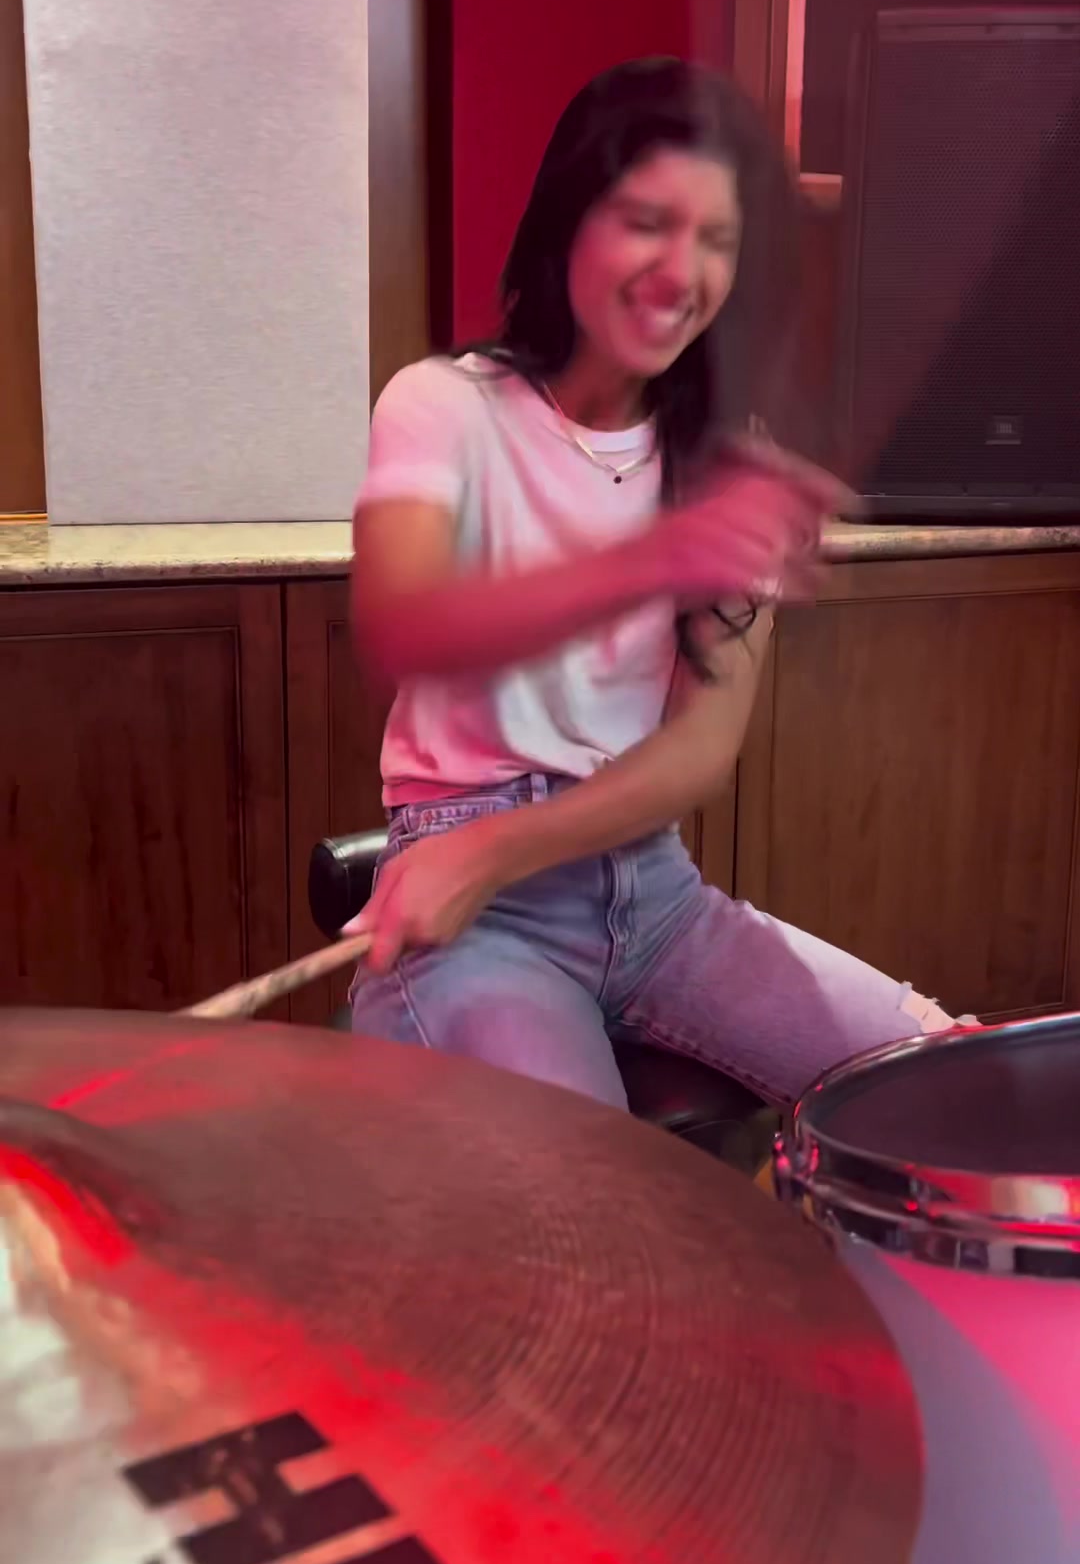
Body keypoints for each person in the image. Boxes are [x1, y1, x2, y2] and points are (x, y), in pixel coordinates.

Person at [347, 57, 959, 1112]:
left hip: (659, 899)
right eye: (647, 223)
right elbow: (404, 624)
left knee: (950, 1089)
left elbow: (697, 751)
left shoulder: (729, 466)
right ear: (570, 222)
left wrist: (505, 849)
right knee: (591, 1195)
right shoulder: (442, 406)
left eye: (716, 240)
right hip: (473, 914)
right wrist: (658, 557)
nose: (683, 273)